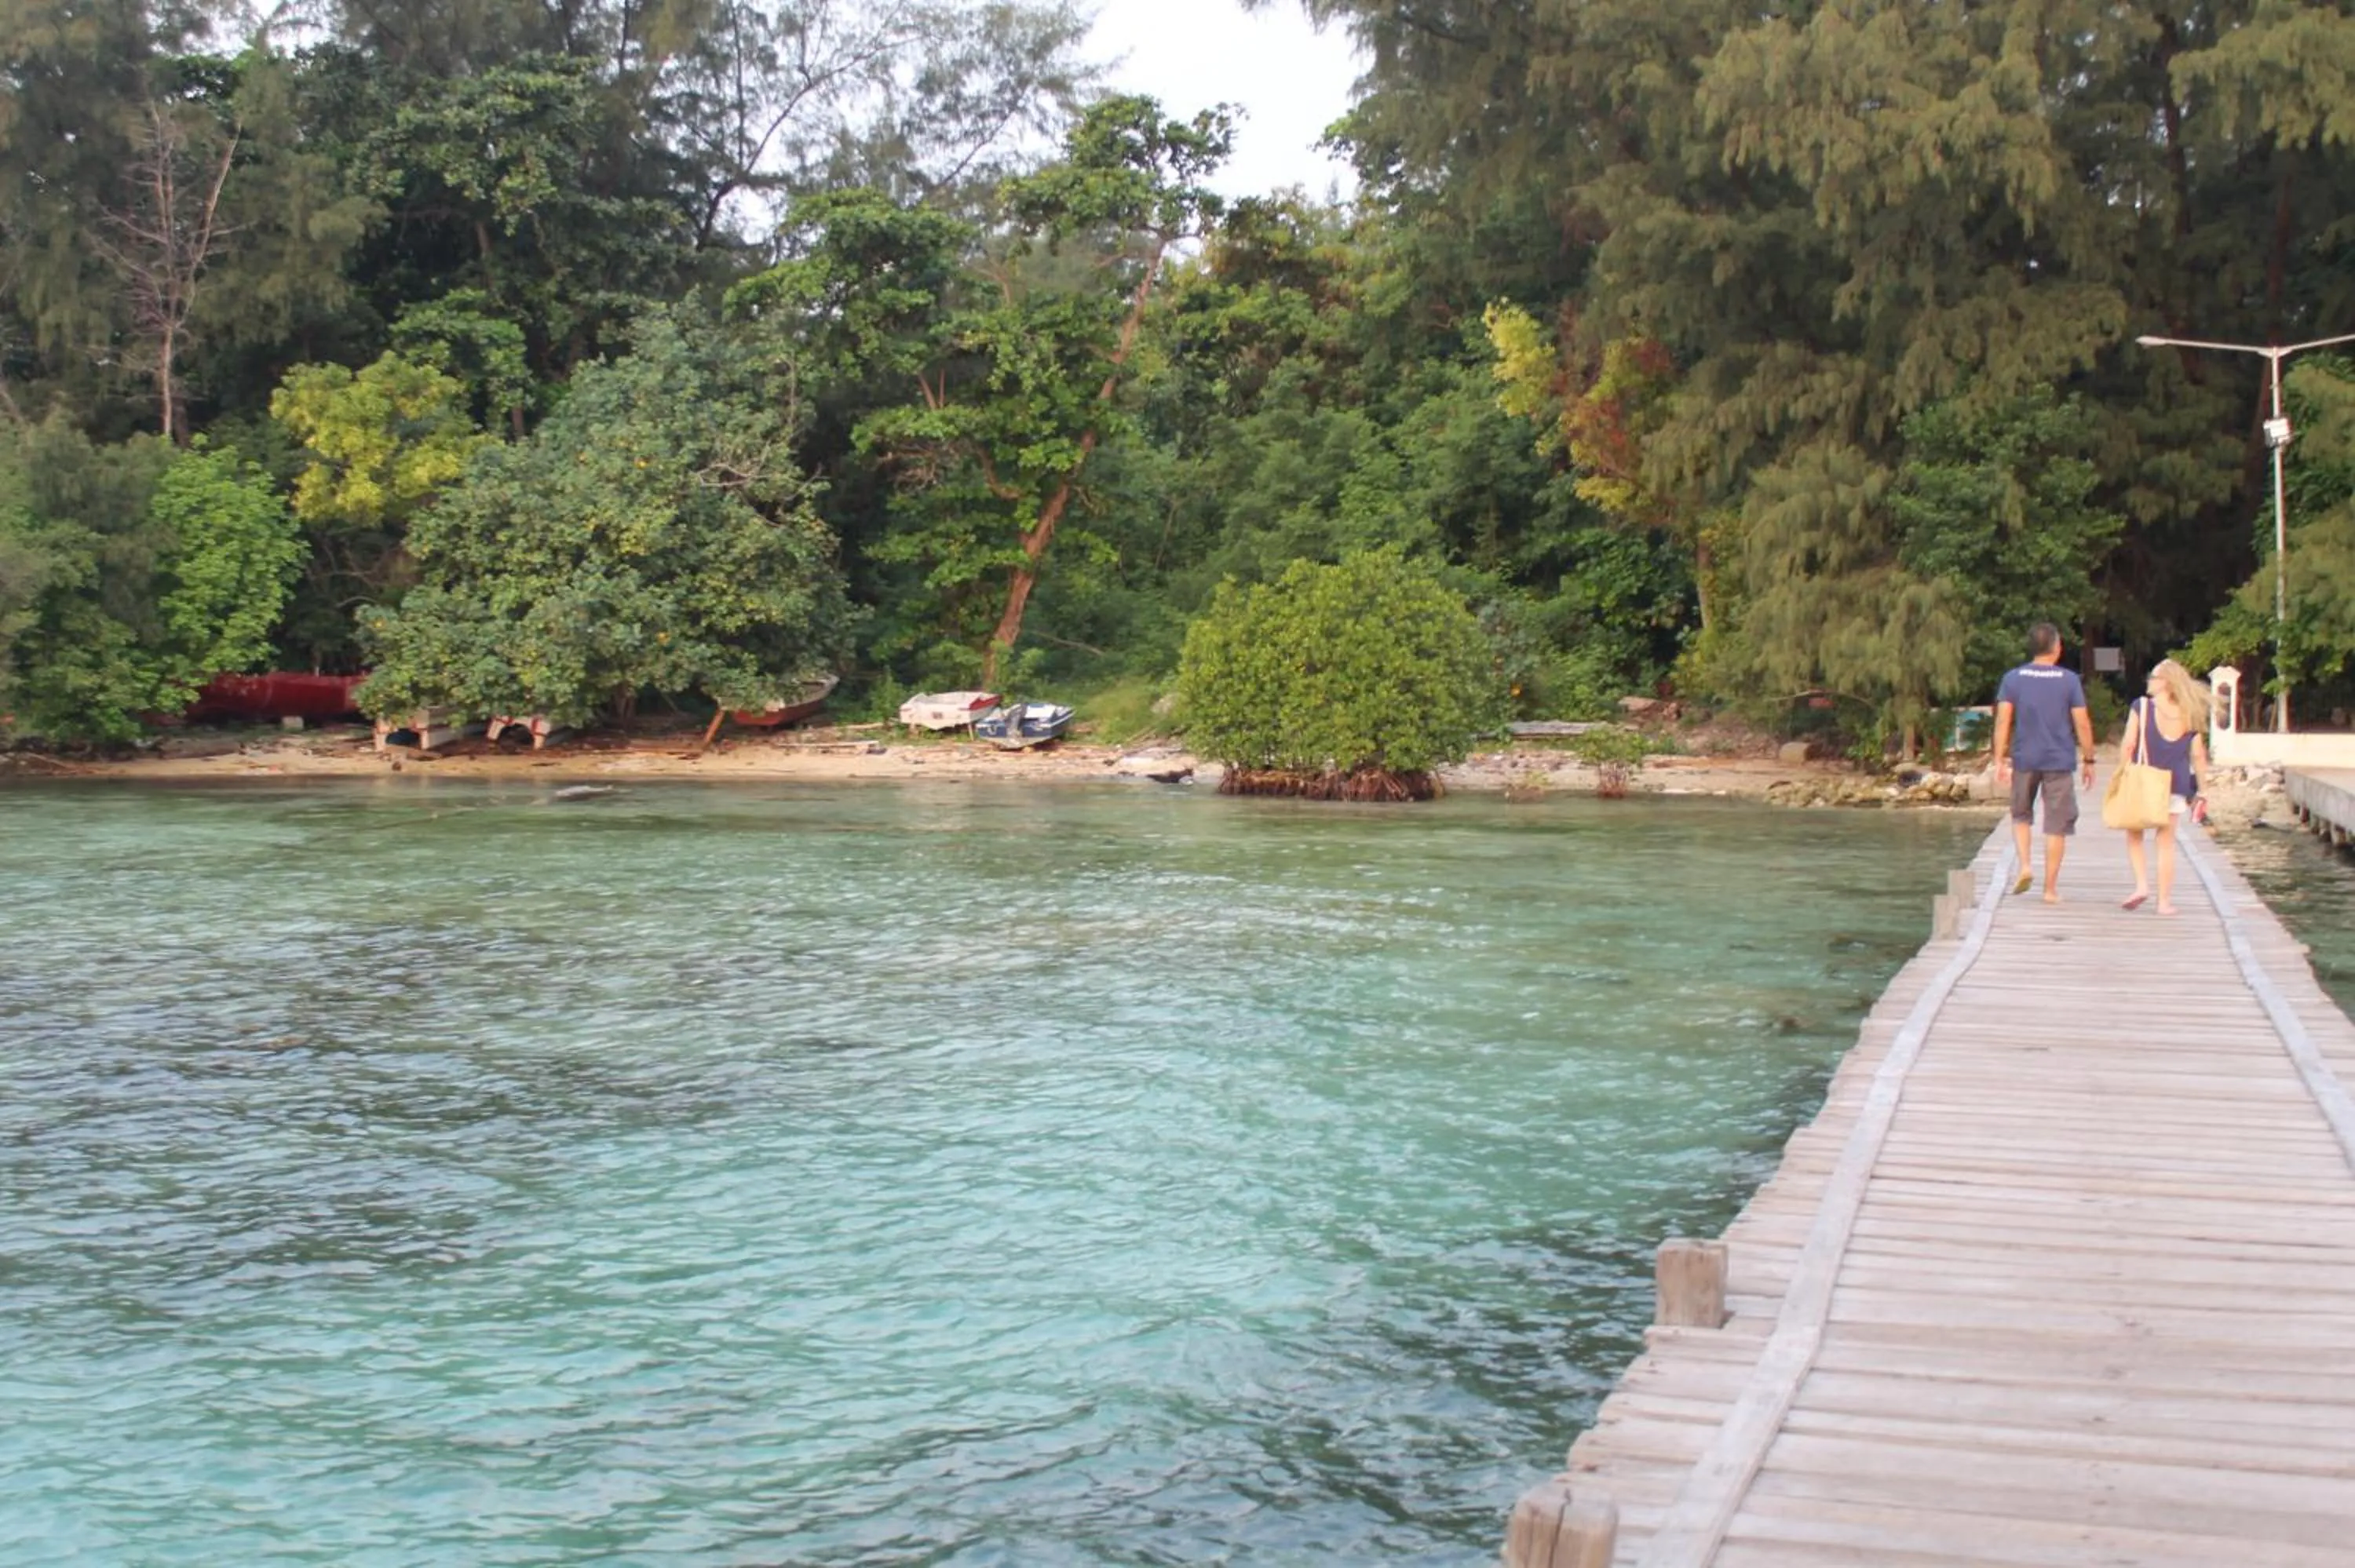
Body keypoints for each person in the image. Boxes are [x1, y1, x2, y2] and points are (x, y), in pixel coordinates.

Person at [1992, 622, 2095, 903]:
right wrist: (2089, 758)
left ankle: (2025, 865)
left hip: (2025, 757)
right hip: (2058, 760)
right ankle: (2050, 890)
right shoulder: (2069, 680)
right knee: (2056, 824)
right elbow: (2082, 722)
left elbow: (2003, 720)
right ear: (2056, 647)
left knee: (2021, 815)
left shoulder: (2013, 678)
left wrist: (1999, 758)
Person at [2117, 658, 2213, 915]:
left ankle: (2141, 886)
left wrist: (2121, 775)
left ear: (2166, 683)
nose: (2149, 680)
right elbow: (2198, 756)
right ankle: (2164, 903)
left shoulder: (2142, 707)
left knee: (2135, 835)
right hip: (2176, 785)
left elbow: (2128, 744)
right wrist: (2202, 790)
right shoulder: (2189, 713)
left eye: (2154, 676)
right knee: (2166, 842)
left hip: (2145, 781)